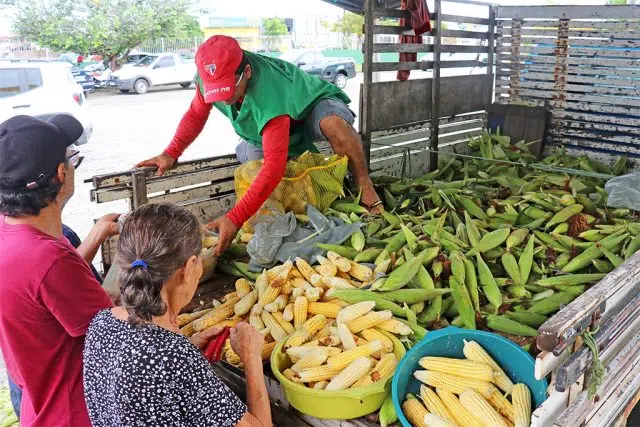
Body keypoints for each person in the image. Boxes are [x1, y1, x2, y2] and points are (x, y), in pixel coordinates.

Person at [137, 35, 383, 255]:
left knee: (334, 125)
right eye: (216, 91)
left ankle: (365, 186)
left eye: (227, 90)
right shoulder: (206, 78)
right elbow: (195, 115)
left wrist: (234, 218)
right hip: (269, 125)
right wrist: (171, 152)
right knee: (256, 169)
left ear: (246, 72)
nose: (223, 98)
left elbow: (273, 168)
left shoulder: (268, 88)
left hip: (309, 108)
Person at [83, 203, 271, 426]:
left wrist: (188, 347)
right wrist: (252, 358)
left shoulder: (101, 324)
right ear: (190, 266)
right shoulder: (175, 359)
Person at [0, 114, 120, 426]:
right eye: (70, 158)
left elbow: (46, 293)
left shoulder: (10, 235)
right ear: (61, 173)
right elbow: (116, 335)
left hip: (37, 406)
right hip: (73, 413)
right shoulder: (48, 258)